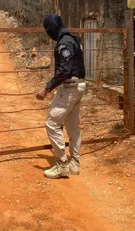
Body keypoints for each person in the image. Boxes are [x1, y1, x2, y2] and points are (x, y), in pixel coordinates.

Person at [36, 14, 86, 179]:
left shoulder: (64, 42)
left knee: (51, 123)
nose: (48, 34)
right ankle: (75, 163)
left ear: (53, 29)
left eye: (48, 31)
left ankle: (62, 163)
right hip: (78, 86)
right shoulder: (73, 39)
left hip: (70, 87)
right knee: (72, 126)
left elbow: (64, 70)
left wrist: (47, 88)